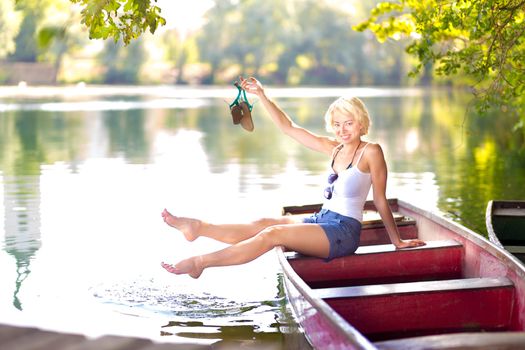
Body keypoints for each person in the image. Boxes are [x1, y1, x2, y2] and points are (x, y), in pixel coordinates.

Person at [161, 77, 426, 278]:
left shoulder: (372, 152)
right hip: (322, 220)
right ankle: (198, 227)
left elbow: (380, 200)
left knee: (273, 234)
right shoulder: (334, 149)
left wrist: (397, 241)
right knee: (265, 223)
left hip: (343, 233)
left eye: (348, 123)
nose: (342, 130)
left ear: (360, 123)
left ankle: (201, 263)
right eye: (336, 124)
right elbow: (289, 128)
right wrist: (262, 96)